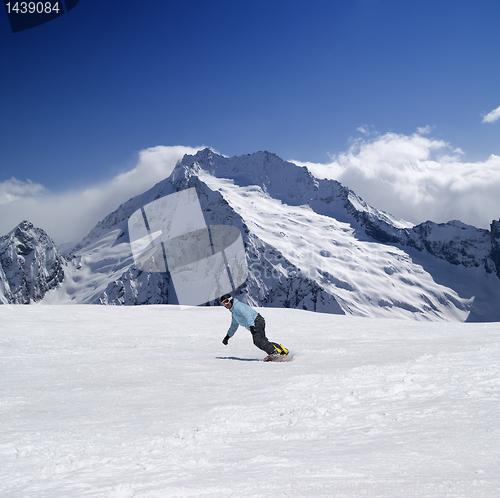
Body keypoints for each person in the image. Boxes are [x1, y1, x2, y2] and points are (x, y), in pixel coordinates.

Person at [220, 293, 288, 361]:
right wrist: (227, 337)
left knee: (257, 340)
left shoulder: (238, 306)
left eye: (226, 301)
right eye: (223, 303)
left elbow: (248, 315)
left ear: (230, 300)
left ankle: (274, 352)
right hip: (257, 321)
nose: (226, 304)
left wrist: (252, 326)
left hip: (256, 321)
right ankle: (281, 350)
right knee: (262, 340)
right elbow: (234, 326)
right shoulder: (234, 312)